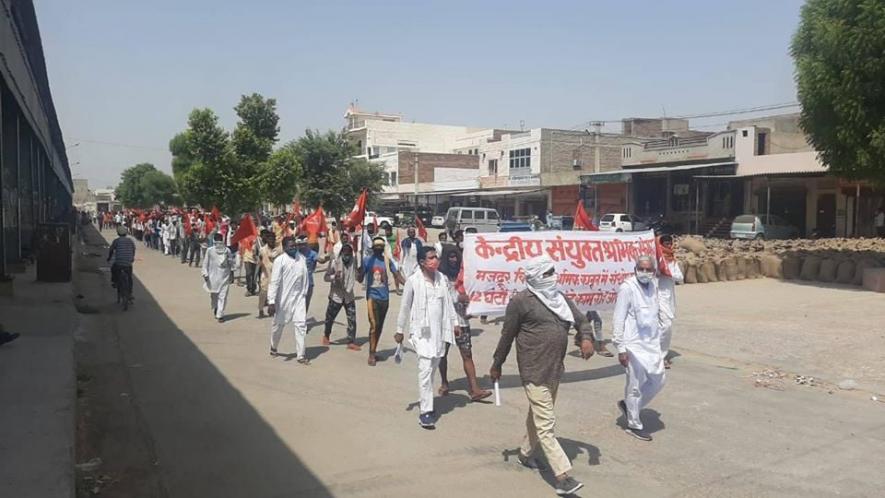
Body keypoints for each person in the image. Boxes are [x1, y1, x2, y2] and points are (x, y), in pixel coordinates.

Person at [489, 256, 595, 496]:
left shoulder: (559, 298)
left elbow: (581, 320)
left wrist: (586, 337)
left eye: (553, 272)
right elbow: (507, 335)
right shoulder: (520, 302)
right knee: (546, 423)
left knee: (536, 417)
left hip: (555, 369)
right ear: (535, 277)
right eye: (548, 274)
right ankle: (562, 476)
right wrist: (497, 364)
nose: (553, 277)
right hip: (533, 369)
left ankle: (525, 454)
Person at [395, 246, 461, 429]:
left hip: (439, 334)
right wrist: (400, 329)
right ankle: (426, 412)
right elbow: (405, 307)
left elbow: (448, 304)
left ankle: (426, 398)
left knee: (432, 370)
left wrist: (455, 324)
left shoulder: (442, 279)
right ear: (423, 262)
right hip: (421, 334)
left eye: (436, 257)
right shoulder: (413, 281)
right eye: (431, 258)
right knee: (424, 371)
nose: (435, 260)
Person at [613, 255, 665, 442]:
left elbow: (654, 312)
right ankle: (634, 424)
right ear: (635, 269)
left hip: (651, 343)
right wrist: (620, 347)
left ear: (653, 271)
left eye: (648, 269)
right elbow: (618, 317)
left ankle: (629, 406)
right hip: (632, 343)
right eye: (641, 269)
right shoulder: (627, 288)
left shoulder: (653, 286)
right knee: (634, 385)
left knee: (658, 380)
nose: (644, 272)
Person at [437, 244, 492, 401]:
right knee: (442, 355)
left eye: (456, 256)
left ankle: (474, 388)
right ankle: (444, 382)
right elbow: (447, 297)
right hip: (445, 323)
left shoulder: (465, 276)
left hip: (462, 322)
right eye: (451, 257)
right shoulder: (440, 277)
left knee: (467, 354)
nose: (454, 260)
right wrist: (460, 297)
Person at [357, 236, 404, 366]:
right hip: (372, 297)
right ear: (373, 249)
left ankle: (374, 348)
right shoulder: (368, 260)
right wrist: (359, 271)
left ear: (383, 249)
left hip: (385, 298)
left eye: (380, 248)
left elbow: (397, 275)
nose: (378, 250)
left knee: (379, 326)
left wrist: (409, 284)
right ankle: (371, 354)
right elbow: (360, 279)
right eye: (376, 248)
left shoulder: (387, 261)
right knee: (373, 325)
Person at [267, 235, 311, 364]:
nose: (293, 247)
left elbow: (305, 278)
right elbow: (274, 282)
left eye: (294, 245)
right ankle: (274, 346)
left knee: (301, 325)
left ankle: (301, 355)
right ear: (284, 247)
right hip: (283, 299)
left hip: (299, 298)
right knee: (278, 325)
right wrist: (271, 301)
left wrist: (305, 294)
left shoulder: (301, 259)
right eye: (290, 246)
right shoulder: (279, 261)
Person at [322, 243, 360, 350]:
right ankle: (326, 335)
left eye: (349, 252)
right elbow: (326, 277)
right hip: (336, 295)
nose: (347, 254)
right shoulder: (334, 262)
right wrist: (334, 277)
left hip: (349, 295)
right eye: (345, 251)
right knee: (330, 318)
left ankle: (351, 341)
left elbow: (357, 276)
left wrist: (360, 273)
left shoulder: (354, 262)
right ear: (342, 252)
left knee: (352, 319)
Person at [657, 234, 684, 368]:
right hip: (657, 296)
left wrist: (669, 274)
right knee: (665, 325)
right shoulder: (656, 259)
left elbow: (680, 277)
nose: (668, 245)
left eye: (669, 243)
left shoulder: (672, 261)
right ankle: (660, 357)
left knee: (666, 326)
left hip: (669, 297)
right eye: (665, 243)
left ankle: (661, 354)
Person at [201, 233, 236, 323]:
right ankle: (216, 307)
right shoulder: (210, 251)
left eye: (220, 239)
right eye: (217, 240)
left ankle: (220, 314)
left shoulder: (227, 251)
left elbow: (231, 263)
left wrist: (232, 272)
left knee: (223, 296)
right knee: (214, 296)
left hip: (224, 276)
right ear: (214, 241)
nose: (219, 242)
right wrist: (205, 274)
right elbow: (205, 263)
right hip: (212, 277)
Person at [296, 235, 328, 320]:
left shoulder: (312, 253)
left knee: (305, 303)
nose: (302, 246)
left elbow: (320, 260)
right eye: (300, 244)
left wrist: (327, 258)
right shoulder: (295, 254)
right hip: (297, 283)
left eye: (304, 244)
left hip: (309, 283)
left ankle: (302, 321)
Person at [257, 231, 282, 319]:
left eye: (273, 239)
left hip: (276, 275)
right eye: (269, 239)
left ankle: (274, 309)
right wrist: (259, 259)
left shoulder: (279, 250)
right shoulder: (262, 250)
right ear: (267, 240)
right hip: (266, 275)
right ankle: (260, 310)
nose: (271, 241)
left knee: (276, 293)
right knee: (263, 294)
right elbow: (258, 264)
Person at [107, 225, 136, 299]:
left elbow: (111, 250)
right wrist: (132, 258)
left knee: (113, 269)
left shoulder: (116, 241)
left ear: (118, 233)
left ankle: (115, 281)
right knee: (129, 278)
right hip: (128, 262)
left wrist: (109, 258)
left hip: (119, 262)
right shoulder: (130, 241)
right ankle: (130, 293)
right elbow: (133, 249)